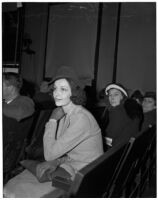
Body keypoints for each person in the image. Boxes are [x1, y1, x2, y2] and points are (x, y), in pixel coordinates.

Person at [4, 66, 104, 198]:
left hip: (84, 180)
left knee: (16, 188)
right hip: (74, 169)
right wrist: (56, 162)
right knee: (17, 183)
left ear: (74, 92)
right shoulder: (68, 113)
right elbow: (64, 151)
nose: (57, 93)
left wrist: (52, 121)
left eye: (63, 89)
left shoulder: (80, 118)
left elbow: (50, 154)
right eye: (55, 88)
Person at [102, 83, 143, 149]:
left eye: (116, 94)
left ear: (122, 96)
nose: (112, 98)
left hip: (116, 150)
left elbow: (111, 134)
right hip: (128, 149)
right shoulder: (128, 109)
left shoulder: (117, 110)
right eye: (110, 95)